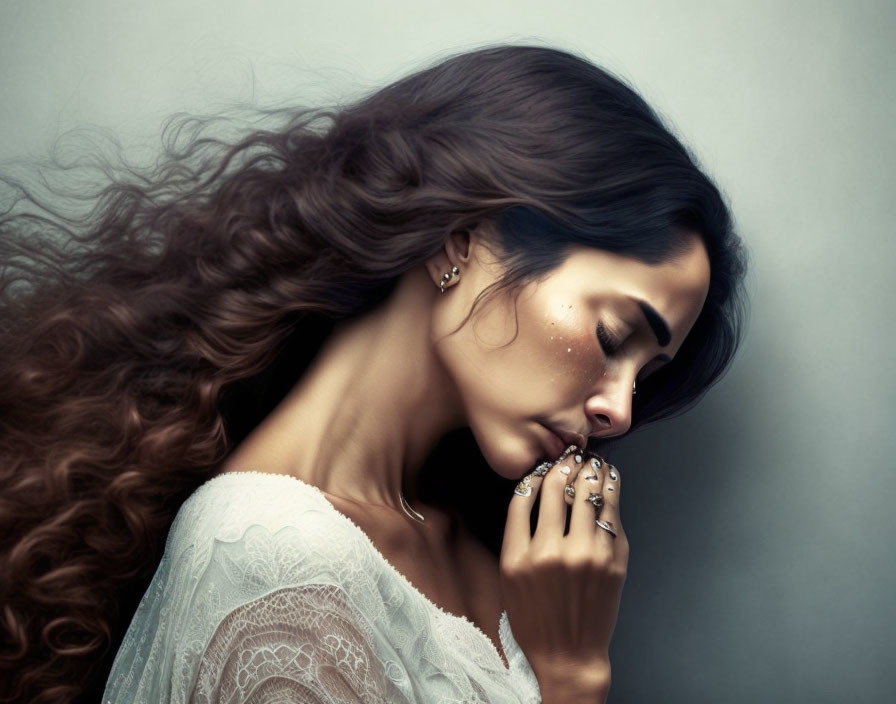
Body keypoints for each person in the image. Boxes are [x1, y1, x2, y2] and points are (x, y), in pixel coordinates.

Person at [0, 44, 747, 703]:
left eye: (647, 375)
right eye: (614, 335)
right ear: (463, 239)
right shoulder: (267, 558)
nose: (620, 409)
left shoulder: (494, 548)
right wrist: (574, 680)